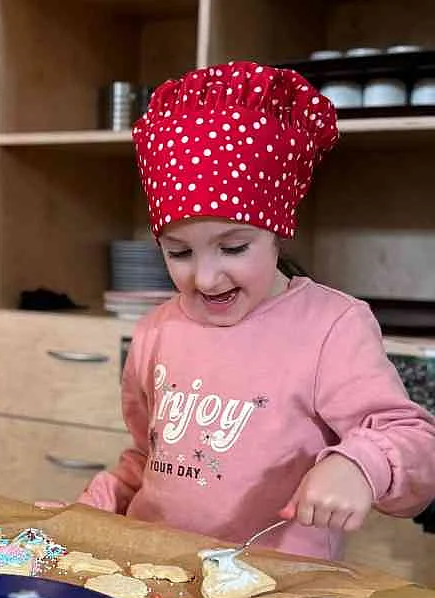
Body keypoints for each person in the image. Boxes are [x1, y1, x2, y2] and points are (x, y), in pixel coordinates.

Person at [75, 61, 435, 559]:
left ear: (277, 229)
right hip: (155, 569)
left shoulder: (331, 327)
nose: (205, 278)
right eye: (179, 253)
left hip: (272, 584)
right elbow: (148, 460)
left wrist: (359, 465)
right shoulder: (157, 329)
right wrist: (91, 508)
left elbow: (413, 439)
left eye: (234, 247)